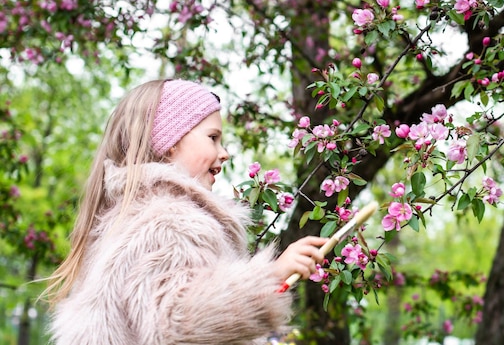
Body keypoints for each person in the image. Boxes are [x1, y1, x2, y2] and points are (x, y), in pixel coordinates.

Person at [44, 79, 327, 345]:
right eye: (213, 137)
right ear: (170, 144)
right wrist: (271, 276)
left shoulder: (132, 218)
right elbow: (174, 320)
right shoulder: (167, 220)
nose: (224, 152)